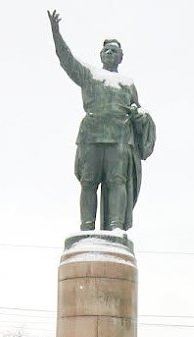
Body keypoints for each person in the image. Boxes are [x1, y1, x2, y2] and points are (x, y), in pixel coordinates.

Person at [47, 10, 156, 231]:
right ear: (100, 55)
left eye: (113, 51)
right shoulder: (90, 75)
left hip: (120, 139)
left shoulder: (127, 83)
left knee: (118, 181)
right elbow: (67, 59)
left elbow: (139, 113)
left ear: (120, 56)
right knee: (88, 183)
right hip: (92, 135)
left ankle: (115, 227)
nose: (109, 53)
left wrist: (140, 114)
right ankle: (86, 228)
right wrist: (56, 33)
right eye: (106, 50)